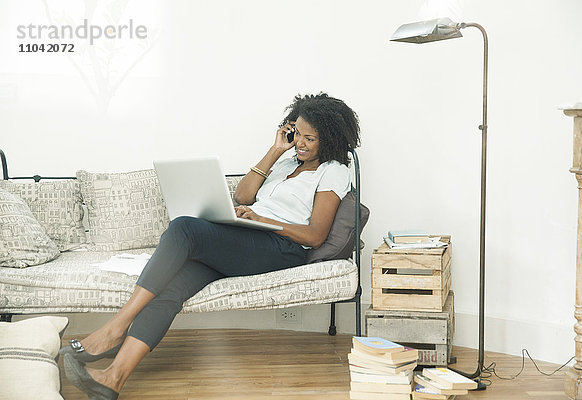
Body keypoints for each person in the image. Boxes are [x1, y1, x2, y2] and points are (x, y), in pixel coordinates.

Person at [61, 92, 361, 399]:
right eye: (296, 133)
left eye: (309, 138)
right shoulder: (286, 160)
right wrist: (274, 150)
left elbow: (314, 236)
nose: (300, 143)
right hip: (250, 238)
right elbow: (243, 197)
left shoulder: (333, 170)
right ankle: (114, 377)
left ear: (330, 140)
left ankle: (115, 327)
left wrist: (260, 219)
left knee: (184, 228)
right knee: (172, 287)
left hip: (281, 248)